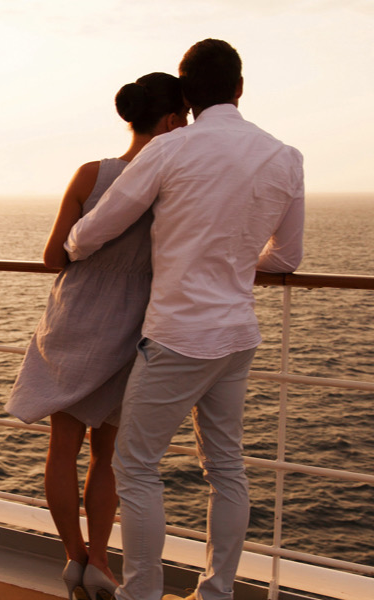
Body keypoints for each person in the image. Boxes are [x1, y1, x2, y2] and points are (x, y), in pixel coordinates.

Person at [65, 39, 305, 600]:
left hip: (178, 337)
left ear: (188, 95)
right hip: (237, 335)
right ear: (240, 88)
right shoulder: (285, 156)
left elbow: (98, 226)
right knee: (226, 468)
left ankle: (141, 594)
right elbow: (287, 258)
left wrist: (73, 246)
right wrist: (235, 263)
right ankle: (215, 593)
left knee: (135, 466)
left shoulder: (171, 149)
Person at [6, 72, 188, 600]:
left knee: (61, 447)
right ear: (171, 121)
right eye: (185, 119)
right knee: (107, 454)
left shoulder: (91, 174)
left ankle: (74, 558)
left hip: (72, 319)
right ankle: (101, 562)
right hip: (131, 327)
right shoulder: (172, 184)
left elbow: (53, 257)